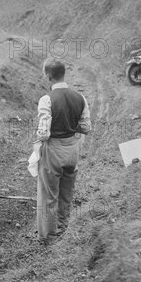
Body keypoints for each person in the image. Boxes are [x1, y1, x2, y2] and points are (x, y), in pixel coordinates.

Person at [35, 57, 91, 244]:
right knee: (67, 194)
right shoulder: (80, 97)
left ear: (48, 76)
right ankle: (64, 230)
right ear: (63, 73)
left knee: (49, 195)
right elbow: (86, 127)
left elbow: (43, 133)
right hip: (72, 149)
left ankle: (49, 237)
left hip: (54, 149)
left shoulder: (46, 99)